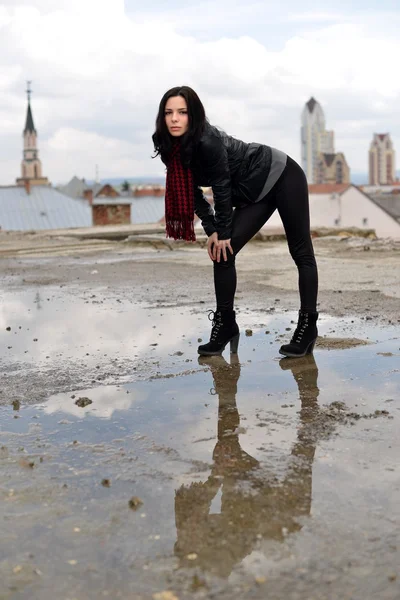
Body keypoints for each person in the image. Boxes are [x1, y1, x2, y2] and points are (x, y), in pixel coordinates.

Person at [152, 86, 318, 358]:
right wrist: (213, 231)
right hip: (253, 192)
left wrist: (223, 231)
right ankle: (226, 324)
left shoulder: (208, 142)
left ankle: (307, 327)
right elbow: (192, 193)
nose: (174, 119)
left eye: (182, 112)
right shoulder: (169, 145)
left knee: (301, 252)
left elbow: (221, 188)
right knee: (222, 254)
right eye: (169, 113)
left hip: (282, 174)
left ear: (193, 115)